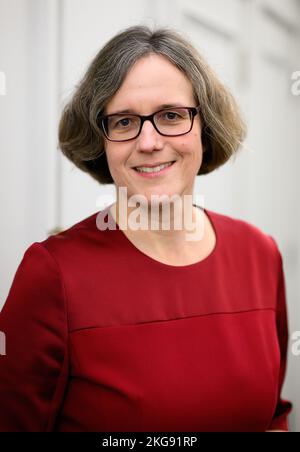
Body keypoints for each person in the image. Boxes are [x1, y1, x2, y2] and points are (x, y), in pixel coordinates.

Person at [0, 25, 292, 432]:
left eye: (171, 116)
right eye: (123, 122)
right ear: (101, 140)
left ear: (205, 128)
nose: (150, 142)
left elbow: (272, 417)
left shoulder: (259, 253)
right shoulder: (51, 275)